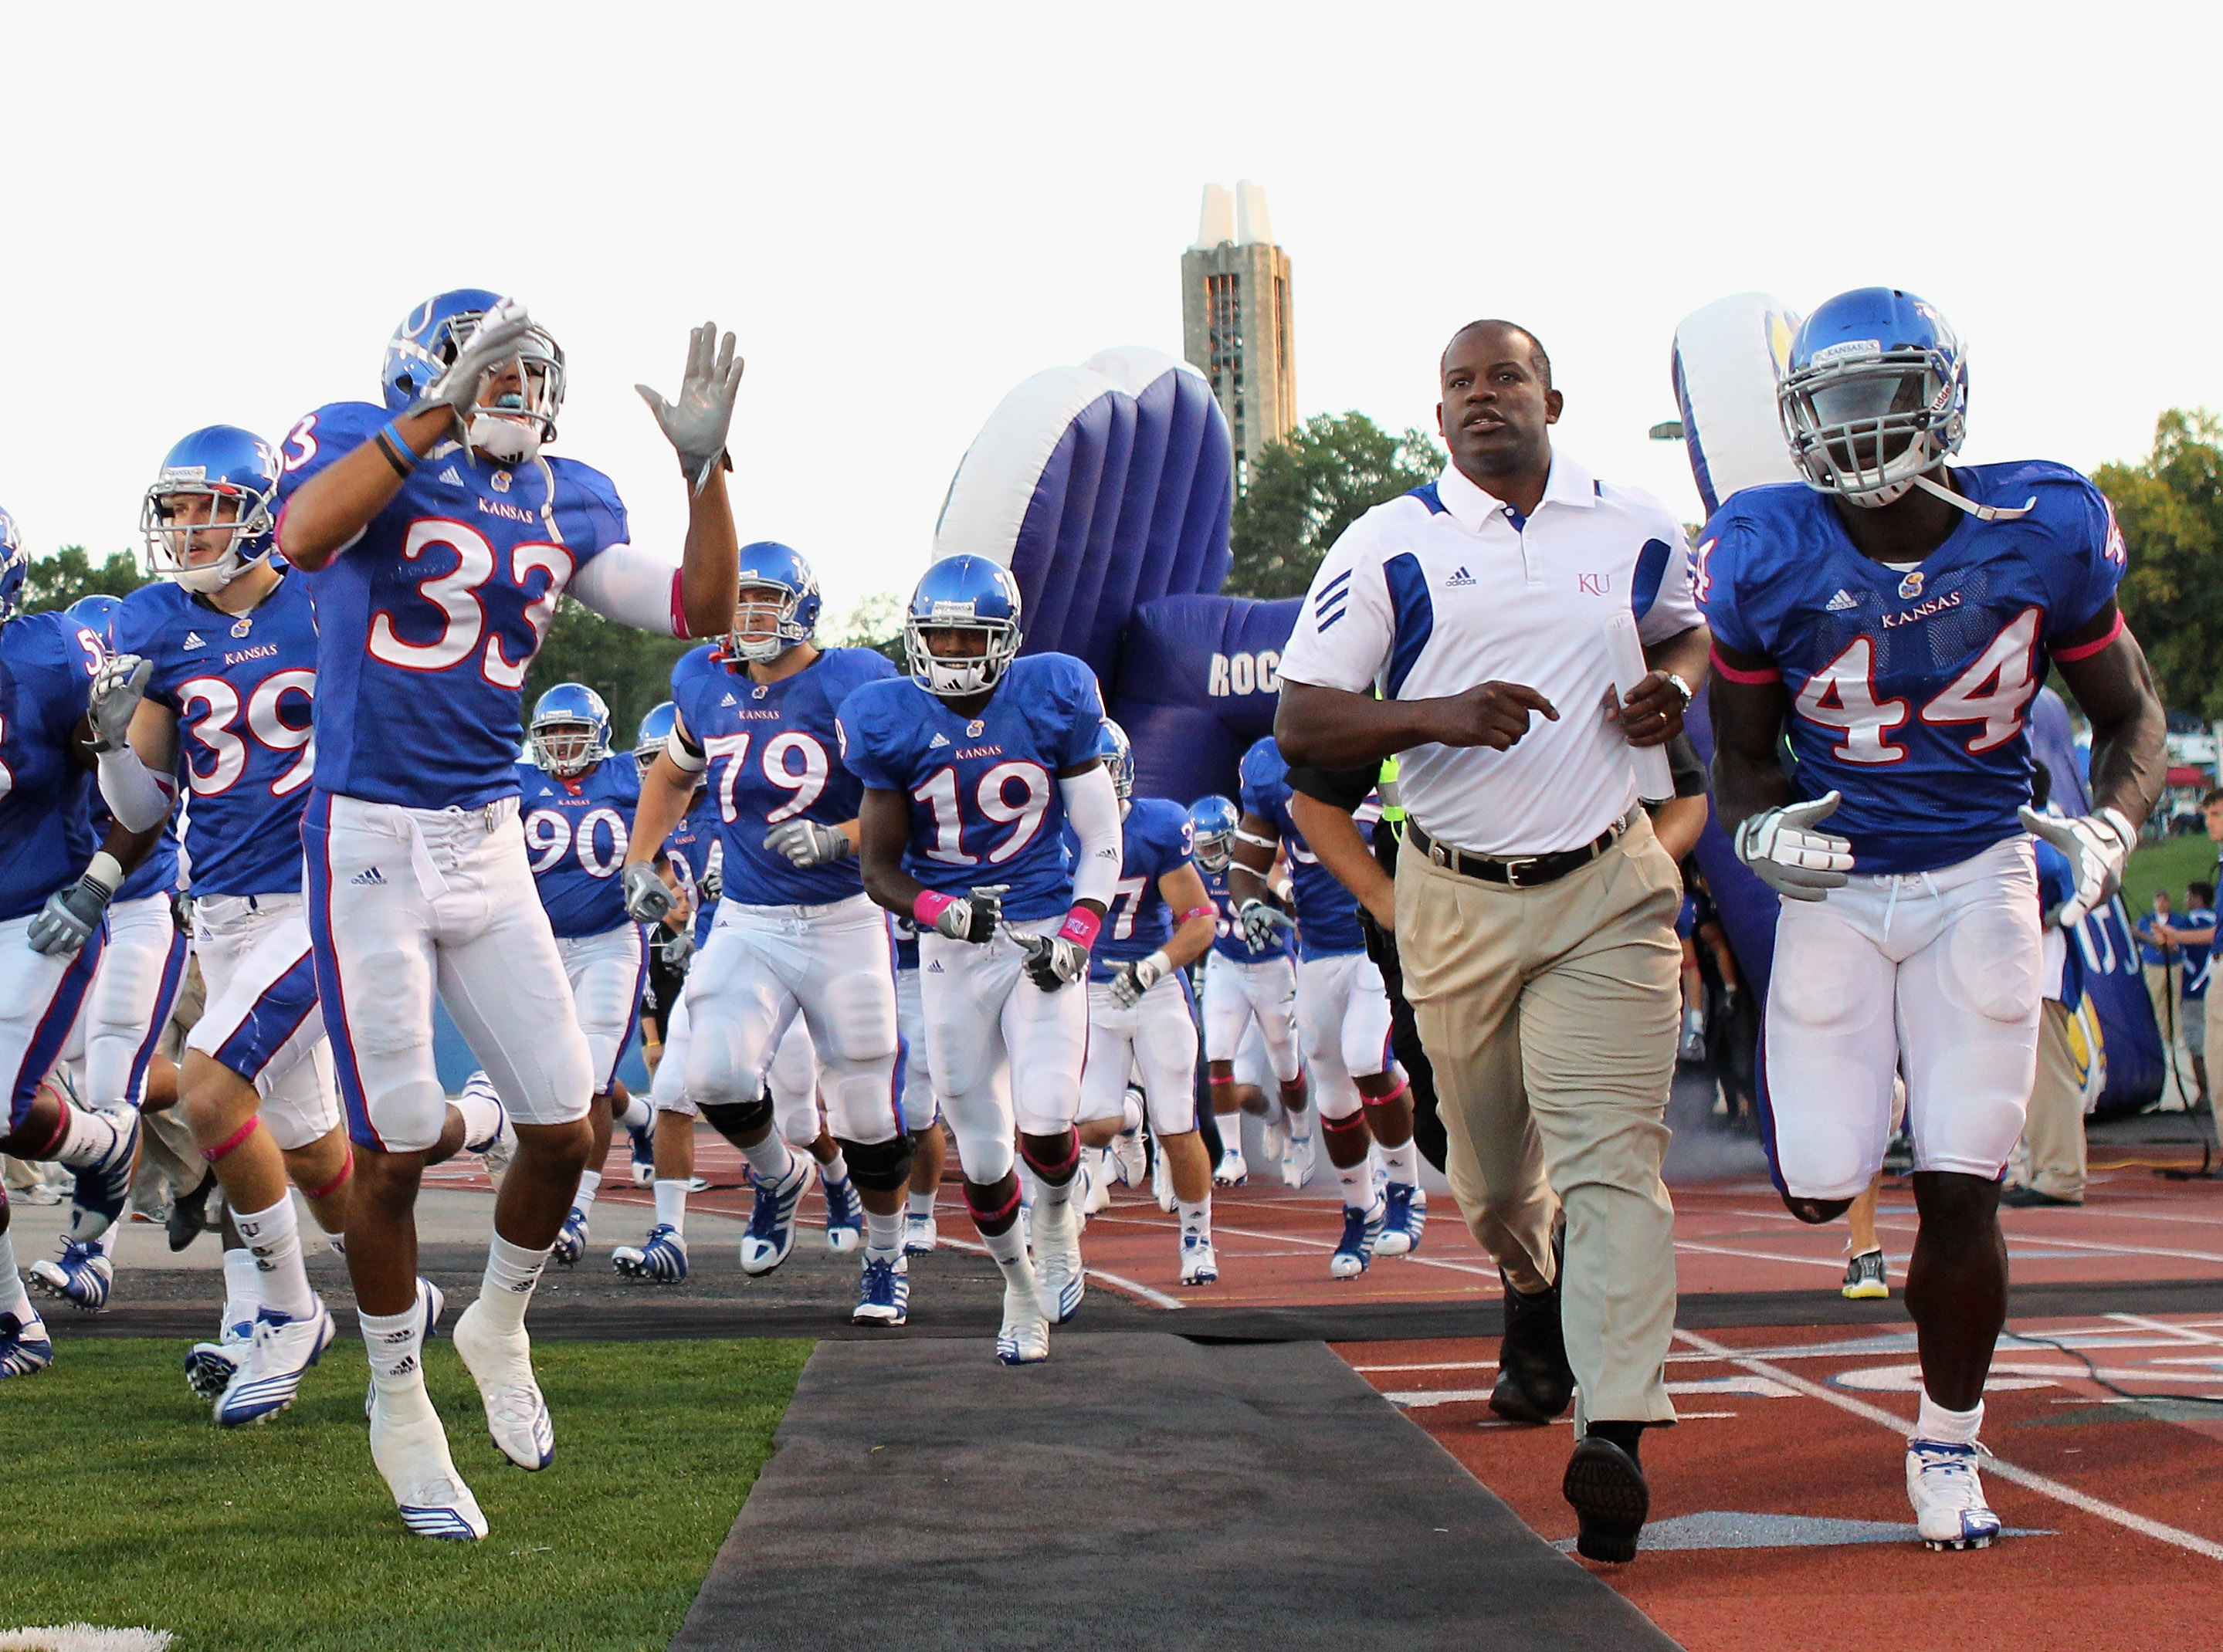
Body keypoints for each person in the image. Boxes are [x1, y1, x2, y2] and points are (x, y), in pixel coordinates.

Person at [273, 293, 743, 1540]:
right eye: (489, 370)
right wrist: (430, 415)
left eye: (527, 372)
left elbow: (695, 609)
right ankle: (394, 1397)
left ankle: (495, 1322)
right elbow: (306, 540)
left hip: (486, 838)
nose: (512, 391)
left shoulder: (565, 495)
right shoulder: (358, 442)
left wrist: (705, 477)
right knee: (397, 1147)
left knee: (567, 1129)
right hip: (367, 834)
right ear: (426, 375)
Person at [1702, 288, 2165, 1551]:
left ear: (1940, 395)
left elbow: (2128, 715)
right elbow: (1738, 759)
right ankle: (1860, 1094)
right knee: (1815, 1186)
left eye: (1880, 397)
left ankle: (1945, 1442)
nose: (1855, 431)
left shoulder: (2042, 523)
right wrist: (1757, 833)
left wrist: (2111, 828)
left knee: (1962, 1192)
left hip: (1979, 876)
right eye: (1830, 403)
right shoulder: (1760, 544)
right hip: (1840, 889)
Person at [1273, 317, 1709, 1563]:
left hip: (1604, 888)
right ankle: (1529, 1283)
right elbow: (1302, 727)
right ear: (1437, 415)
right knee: (1493, 1181)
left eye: (1501, 376)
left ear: (1550, 397)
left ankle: (1614, 1435)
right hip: (1455, 894)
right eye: (1457, 383)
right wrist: (1438, 719)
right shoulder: (1388, 543)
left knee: (1615, 1161)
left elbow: (1686, 631)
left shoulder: (1630, 524)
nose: (1479, 397)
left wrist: (1673, 686)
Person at [843, 553, 1122, 1364]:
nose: (955, 650)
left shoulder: (1053, 693)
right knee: (983, 1149)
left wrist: (1076, 934)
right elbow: (878, 871)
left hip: (1038, 931)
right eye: (941, 634)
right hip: (953, 953)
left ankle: (1058, 1221)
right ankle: (1019, 1288)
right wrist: (942, 908)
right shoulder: (887, 716)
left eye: (972, 634)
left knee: (1045, 1113)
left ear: (1007, 638)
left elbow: (1100, 839)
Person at [616, 543, 903, 1322]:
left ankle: (885, 1256)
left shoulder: (854, 679)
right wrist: (642, 859)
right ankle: (778, 1175)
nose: (746, 614)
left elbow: (902, 791)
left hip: (843, 916)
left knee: (868, 1114)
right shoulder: (704, 678)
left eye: (763, 598)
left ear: (804, 607)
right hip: (748, 916)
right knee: (711, 1076)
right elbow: (674, 773)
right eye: (737, 598)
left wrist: (843, 836)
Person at [0, 504, 166, 1376]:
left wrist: (99, 879)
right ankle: (16, 1318)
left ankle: (108, 1146)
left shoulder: (51, 655)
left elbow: (141, 810)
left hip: (37, 914)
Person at [21, 594, 189, 1313]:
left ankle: (93, 1255)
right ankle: (211, 1112)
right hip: (71, 903)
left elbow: (157, 812)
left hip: (141, 900)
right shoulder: (47, 704)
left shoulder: (146, 714)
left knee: (114, 1067)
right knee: (90, 1069)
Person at [1232, 736, 1418, 1275]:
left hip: (1380, 942)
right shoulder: (1268, 762)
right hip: (1315, 949)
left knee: (1367, 1058)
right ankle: (1361, 1207)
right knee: (1334, 1096)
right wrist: (1249, 903)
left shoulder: (1386, 748)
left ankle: (1406, 1189)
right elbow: (1249, 860)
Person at [1072, 722, 1222, 1283]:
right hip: (1090, 988)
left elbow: (1200, 919)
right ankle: (1125, 1122)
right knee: (1091, 1125)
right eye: (1086, 772)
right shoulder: (1056, 833)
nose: (1097, 784)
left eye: (1104, 771)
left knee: (1177, 1123)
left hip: (1155, 988)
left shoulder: (1157, 826)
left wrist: (1154, 964)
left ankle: (1197, 1239)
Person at [514, 683, 657, 1264]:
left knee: (588, 1078)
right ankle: (639, 1118)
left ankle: (576, 1211)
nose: (564, 744)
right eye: (552, 734)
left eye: (574, 732)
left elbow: (681, 793)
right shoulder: (519, 783)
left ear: (598, 734)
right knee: (546, 1075)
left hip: (609, 940)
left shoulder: (628, 776)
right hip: (535, 947)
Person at [1189, 794, 1313, 1187]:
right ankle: (1232, 1154)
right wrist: (1197, 968)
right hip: (1226, 965)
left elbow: (1293, 902)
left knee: (1286, 1064)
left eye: (1214, 846)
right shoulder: (1191, 871)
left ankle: (1300, 1131)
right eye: (1202, 847)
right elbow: (1187, 920)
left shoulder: (1258, 862)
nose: (1207, 855)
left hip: (1274, 967)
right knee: (1218, 1058)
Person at [2168, 880, 2214, 1108]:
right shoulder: (2217, 920)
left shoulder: (2188, 924)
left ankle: (2206, 1094)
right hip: (2215, 987)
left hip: (2194, 993)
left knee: (2197, 1045)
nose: (2185, 900)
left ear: (2197, 898)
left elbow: (2169, 945)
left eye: (2188, 895)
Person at [2133, 889, 2181, 1055]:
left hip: (2174, 965)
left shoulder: (2177, 919)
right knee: (2157, 998)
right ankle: (2162, 1034)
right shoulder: (2147, 920)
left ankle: (2176, 1035)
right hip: (2153, 965)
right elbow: (2137, 937)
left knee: (2174, 998)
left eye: (2164, 901)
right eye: (2158, 901)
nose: (2161, 905)